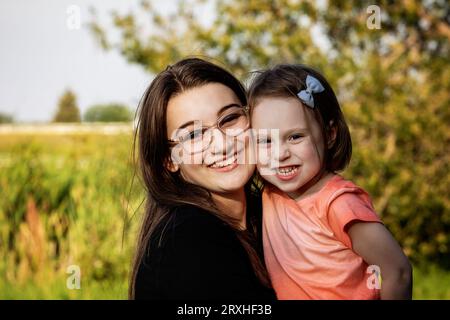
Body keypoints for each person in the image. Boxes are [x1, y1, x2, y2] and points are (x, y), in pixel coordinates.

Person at [248, 64, 412, 299]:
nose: (279, 154)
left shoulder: (338, 202)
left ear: (329, 133)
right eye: (265, 141)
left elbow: (398, 271)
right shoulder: (270, 193)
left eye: (295, 137)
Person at [129, 57, 276, 300]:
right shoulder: (186, 241)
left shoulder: (270, 210)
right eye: (194, 134)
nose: (222, 145)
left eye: (229, 119)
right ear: (169, 159)